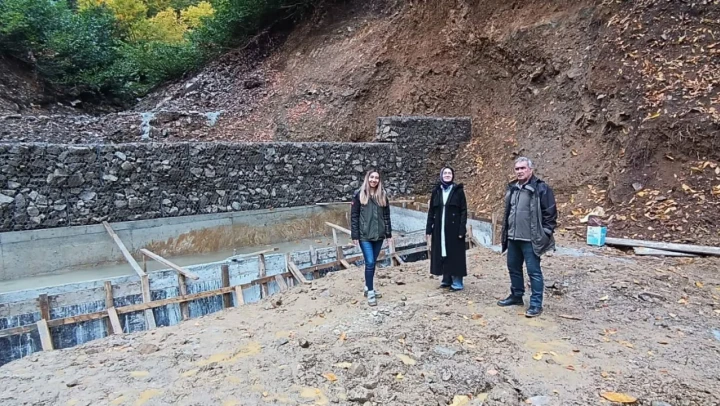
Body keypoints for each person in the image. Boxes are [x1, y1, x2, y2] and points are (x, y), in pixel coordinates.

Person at [497, 157, 557, 317]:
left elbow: (550, 213)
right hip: (513, 237)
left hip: (531, 239)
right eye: (517, 169)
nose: (520, 171)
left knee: (534, 272)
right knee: (513, 268)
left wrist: (546, 233)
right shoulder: (513, 188)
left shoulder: (541, 188)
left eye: (523, 168)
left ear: (531, 169)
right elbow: (509, 212)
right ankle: (516, 296)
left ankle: (536, 304)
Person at [351, 170, 393, 306]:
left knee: (373, 262)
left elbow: (386, 216)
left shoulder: (382, 195)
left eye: (376, 178)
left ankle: (367, 287)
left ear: (379, 180)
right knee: (369, 262)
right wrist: (355, 235)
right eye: (372, 177)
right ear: (367, 178)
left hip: (379, 235)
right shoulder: (359, 195)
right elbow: (354, 216)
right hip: (365, 235)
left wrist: (388, 234)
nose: (374, 180)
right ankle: (370, 291)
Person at [425, 167, 468, 291]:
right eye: (445, 173)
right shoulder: (436, 191)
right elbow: (431, 211)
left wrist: (462, 229)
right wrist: (428, 229)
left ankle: (457, 281)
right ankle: (446, 278)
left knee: (455, 254)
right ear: (441, 175)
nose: (447, 175)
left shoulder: (458, 191)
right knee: (442, 252)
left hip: (454, 228)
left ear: (453, 176)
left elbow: (464, 211)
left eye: (449, 173)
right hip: (439, 228)